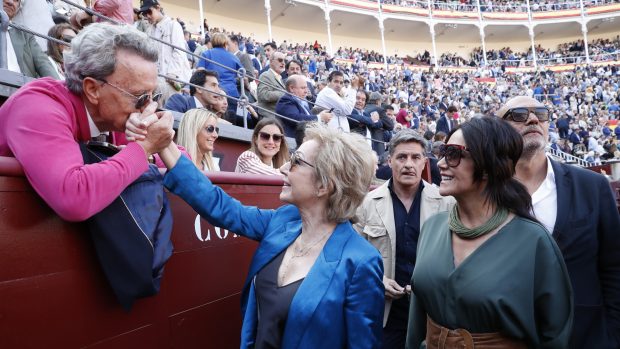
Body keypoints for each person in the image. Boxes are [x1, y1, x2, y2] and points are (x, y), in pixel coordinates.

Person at [131, 122, 384, 348]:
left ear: (324, 185)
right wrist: (165, 145)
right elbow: (220, 207)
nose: (284, 167)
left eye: (296, 161)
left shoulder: (361, 261)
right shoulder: (283, 221)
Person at [406, 117, 573, 348]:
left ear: (487, 166)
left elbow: (555, 335)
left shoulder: (534, 242)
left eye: (453, 154)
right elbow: (417, 323)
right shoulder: (432, 228)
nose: (441, 163)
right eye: (443, 152)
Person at [0, 22, 173, 222]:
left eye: (154, 95)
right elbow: (74, 197)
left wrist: (162, 141)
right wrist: (143, 149)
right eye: (140, 97)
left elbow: (184, 162)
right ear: (92, 89)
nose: (148, 107)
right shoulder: (37, 106)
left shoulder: (114, 117)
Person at [498, 96, 620, 349]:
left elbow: (614, 266)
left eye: (540, 113)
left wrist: (613, 335)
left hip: (587, 336)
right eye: (519, 114)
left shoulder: (592, 186)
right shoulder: (485, 192)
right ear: (497, 128)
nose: (533, 119)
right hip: (511, 337)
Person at [355, 129, 454, 348]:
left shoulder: (446, 202)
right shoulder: (367, 204)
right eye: (401, 157)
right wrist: (377, 281)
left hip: (432, 310)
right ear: (389, 161)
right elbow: (353, 257)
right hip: (385, 312)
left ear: (424, 163)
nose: (408, 164)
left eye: (415, 157)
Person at [3, 0, 59, 79]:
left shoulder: (25, 33)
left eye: (16, 0)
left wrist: (57, 88)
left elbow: (43, 63)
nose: (11, 2)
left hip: (22, 88)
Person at [196, 33, 243, 113]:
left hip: (213, 93)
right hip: (231, 94)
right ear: (225, 43)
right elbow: (243, 75)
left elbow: (200, 72)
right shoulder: (234, 57)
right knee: (230, 123)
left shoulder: (207, 54)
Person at [257, 51, 287, 118]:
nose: (283, 63)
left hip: (279, 116)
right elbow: (264, 95)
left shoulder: (280, 78)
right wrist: (285, 93)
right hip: (270, 118)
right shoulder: (265, 75)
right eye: (280, 60)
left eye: (284, 61)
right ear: (271, 61)